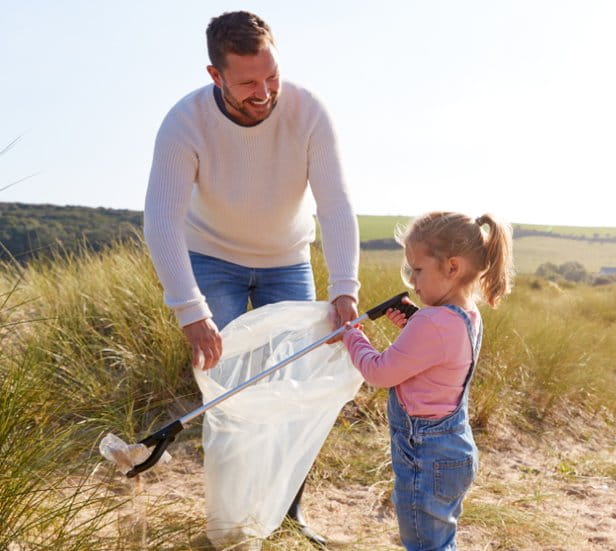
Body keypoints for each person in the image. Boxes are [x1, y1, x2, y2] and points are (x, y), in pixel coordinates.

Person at [142, 11, 359, 546]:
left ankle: (286, 511)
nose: (265, 93)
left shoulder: (309, 113)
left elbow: (335, 206)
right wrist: (190, 311)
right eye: (247, 83)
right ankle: (232, 522)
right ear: (216, 76)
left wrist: (345, 288)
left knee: (295, 388)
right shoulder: (184, 121)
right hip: (211, 258)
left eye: (272, 77)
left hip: (288, 261)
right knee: (229, 390)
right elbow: (162, 220)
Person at [341, 212, 513, 551]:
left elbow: (378, 372)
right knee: (439, 540)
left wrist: (353, 337)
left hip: (425, 455)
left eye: (417, 270)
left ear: (452, 267)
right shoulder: (467, 316)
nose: (412, 282)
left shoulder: (431, 322)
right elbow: (440, 357)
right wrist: (412, 327)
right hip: (454, 450)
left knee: (424, 544)